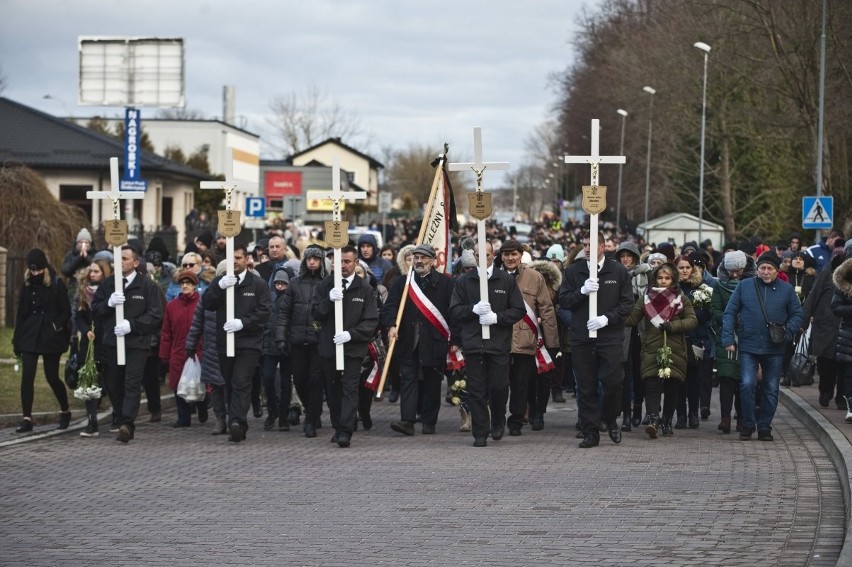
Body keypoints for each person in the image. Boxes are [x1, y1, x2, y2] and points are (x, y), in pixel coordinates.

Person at [558, 233, 634, 448]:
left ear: (603, 246)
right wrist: (581, 291)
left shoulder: (617, 271)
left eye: (592, 245)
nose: (588, 249)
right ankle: (590, 431)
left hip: (609, 336)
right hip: (582, 337)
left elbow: (627, 303)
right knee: (586, 386)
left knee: (613, 382)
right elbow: (563, 300)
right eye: (584, 245)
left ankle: (609, 419)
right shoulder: (574, 271)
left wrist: (606, 319)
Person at [449, 240, 525, 447]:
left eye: (487, 255)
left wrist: (496, 318)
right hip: (474, 344)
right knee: (476, 390)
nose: (482, 258)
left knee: (500, 387)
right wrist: (472, 309)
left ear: (494, 256)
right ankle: (480, 431)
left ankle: (498, 419)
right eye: (477, 255)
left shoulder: (505, 280)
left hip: (498, 344)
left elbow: (519, 310)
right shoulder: (464, 281)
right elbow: (455, 310)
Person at [722, 253, 804, 441]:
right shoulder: (745, 286)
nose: (766, 272)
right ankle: (748, 424)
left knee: (771, 388)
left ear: (777, 271)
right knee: (747, 384)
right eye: (762, 268)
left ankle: (765, 426)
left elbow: (798, 314)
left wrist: (788, 331)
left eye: (770, 269)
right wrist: (728, 339)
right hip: (748, 345)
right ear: (757, 269)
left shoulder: (787, 290)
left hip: (774, 347)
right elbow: (729, 313)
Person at [91, 245, 165, 443]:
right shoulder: (108, 285)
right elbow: (95, 310)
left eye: (124, 258)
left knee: (131, 383)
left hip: (136, 344)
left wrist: (132, 325)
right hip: (112, 344)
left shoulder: (146, 286)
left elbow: (155, 314)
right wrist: (108, 303)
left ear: (135, 262)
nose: (120, 261)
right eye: (118, 258)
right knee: (114, 385)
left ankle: (127, 424)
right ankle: (121, 413)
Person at [382, 243, 457, 436]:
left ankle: (429, 421)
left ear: (433, 261)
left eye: (424, 258)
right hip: (408, 341)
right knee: (408, 379)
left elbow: (454, 313)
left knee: (432, 382)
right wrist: (391, 325)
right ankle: (407, 421)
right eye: (416, 257)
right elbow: (390, 306)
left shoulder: (446, 283)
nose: (419, 261)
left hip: (434, 341)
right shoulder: (403, 282)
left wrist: (455, 339)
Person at [312, 245, 379, 448]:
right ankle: (337, 425)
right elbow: (315, 314)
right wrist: (328, 300)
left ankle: (346, 431)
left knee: (350, 389)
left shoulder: (364, 289)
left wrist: (351, 334)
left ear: (355, 262)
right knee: (332, 390)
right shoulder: (325, 285)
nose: (342, 265)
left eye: (347, 261)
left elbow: (370, 321)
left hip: (352, 349)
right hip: (329, 348)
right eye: (339, 261)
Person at [202, 242, 271, 443]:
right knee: (230, 383)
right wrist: (218, 287)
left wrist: (243, 323)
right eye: (230, 259)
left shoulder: (257, 284)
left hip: (249, 343)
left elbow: (265, 311)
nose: (234, 262)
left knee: (241, 381)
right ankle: (238, 423)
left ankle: (236, 422)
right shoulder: (221, 282)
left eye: (238, 258)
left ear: (247, 260)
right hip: (225, 342)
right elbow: (207, 303)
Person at [625, 263, 697, 438]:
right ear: (654, 278)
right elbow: (631, 319)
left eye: (667, 278)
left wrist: (672, 326)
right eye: (660, 277)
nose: (663, 281)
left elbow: (692, 320)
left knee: (673, 386)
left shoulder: (681, 299)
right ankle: (653, 420)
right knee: (651, 384)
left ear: (673, 280)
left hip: (675, 349)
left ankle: (666, 420)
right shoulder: (645, 299)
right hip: (651, 348)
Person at [498, 240, 559, 435]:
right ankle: (497, 420)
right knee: (498, 385)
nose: (510, 258)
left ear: (520, 255)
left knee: (520, 385)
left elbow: (546, 309)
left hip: (525, 340)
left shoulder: (534, 277)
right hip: (498, 340)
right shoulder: (493, 277)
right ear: (501, 256)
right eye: (506, 254)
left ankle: (516, 421)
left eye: (513, 254)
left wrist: (552, 342)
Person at [12, 248, 73, 433]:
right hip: (30, 335)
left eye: (38, 270)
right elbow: (21, 314)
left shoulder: (56, 284)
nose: (35, 273)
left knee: (52, 376)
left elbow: (66, 312)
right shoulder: (27, 285)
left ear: (44, 268)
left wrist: (56, 326)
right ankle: (27, 418)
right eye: (32, 270)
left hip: (50, 336)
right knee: (27, 376)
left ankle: (65, 411)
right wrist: (17, 338)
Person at [276, 244, 328, 438]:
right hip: (297, 340)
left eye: (316, 258)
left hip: (318, 340)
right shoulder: (295, 284)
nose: (312, 261)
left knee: (315, 380)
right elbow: (284, 312)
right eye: (309, 258)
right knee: (299, 379)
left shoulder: (327, 282)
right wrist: (281, 336)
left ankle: (311, 419)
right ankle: (311, 409)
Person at [710, 250, 752, 433]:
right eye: (731, 271)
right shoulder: (720, 286)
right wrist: (729, 317)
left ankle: (742, 418)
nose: (734, 275)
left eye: (738, 271)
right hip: (726, 336)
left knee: (744, 380)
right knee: (727, 378)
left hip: (747, 336)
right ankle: (725, 418)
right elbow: (714, 310)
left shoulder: (752, 284)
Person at [159, 269, 206, 428]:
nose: (185, 286)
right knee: (179, 383)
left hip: (199, 349)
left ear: (194, 285)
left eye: (188, 283)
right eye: (183, 283)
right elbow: (166, 332)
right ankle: (183, 417)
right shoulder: (172, 306)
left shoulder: (203, 304)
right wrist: (164, 354)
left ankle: (202, 407)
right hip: (178, 350)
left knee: (201, 381)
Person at [674, 254, 716, 428]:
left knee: (694, 378)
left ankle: (693, 413)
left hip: (696, 337)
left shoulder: (701, 288)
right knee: (677, 379)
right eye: (681, 267)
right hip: (676, 337)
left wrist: (688, 314)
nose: (684, 271)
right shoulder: (672, 287)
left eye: (687, 267)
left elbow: (706, 314)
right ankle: (680, 415)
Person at [186, 260, 226, 435]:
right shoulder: (208, 296)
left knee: (234, 385)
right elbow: (197, 323)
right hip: (212, 348)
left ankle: (235, 417)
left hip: (233, 348)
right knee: (216, 387)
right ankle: (220, 419)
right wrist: (191, 344)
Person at [73, 258, 112, 437]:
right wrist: (86, 330)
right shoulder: (84, 291)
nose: (93, 274)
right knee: (88, 381)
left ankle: (117, 415)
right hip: (89, 342)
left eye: (97, 271)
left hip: (106, 340)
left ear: (104, 273)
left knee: (109, 380)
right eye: (91, 271)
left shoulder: (110, 290)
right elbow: (79, 316)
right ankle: (92, 422)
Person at [615, 241, 652, 430]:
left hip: (642, 328)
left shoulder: (646, 274)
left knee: (640, 371)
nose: (625, 259)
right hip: (623, 328)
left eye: (628, 256)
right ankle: (626, 413)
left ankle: (638, 406)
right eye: (622, 256)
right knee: (625, 370)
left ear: (635, 258)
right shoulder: (615, 275)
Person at [804, 252, 844, 410]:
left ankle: (842, 396)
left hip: (845, 327)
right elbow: (813, 296)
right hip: (825, 326)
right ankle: (825, 390)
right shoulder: (827, 273)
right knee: (825, 363)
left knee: (844, 365)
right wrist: (804, 321)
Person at [261, 268, 292, 431]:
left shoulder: (291, 299)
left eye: (283, 283)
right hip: (269, 344)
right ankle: (273, 410)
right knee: (268, 378)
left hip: (287, 345)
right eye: (278, 283)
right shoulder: (269, 298)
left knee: (286, 383)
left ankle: (283, 415)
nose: (280, 286)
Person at [831, 245, 852, 421]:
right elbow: (836, 306)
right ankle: (851, 406)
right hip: (849, 335)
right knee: (848, 373)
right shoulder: (844, 281)